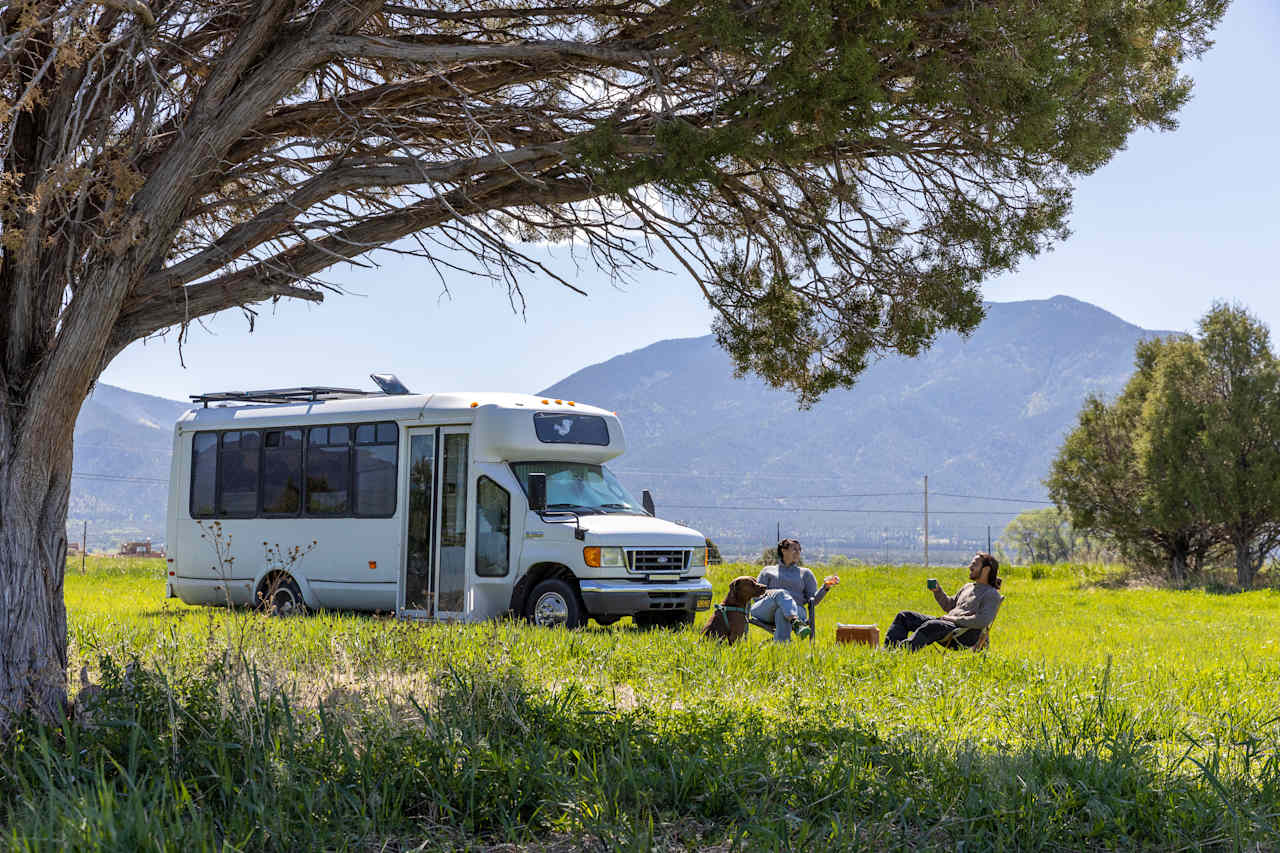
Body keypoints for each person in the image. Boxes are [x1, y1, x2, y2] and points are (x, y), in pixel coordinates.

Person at [884, 552, 1003, 650]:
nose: (969, 567)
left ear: (986, 570)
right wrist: (937, 591)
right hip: (947, 625)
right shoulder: (968, 587)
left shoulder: (991, 594)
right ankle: (888, 651)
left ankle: (901, 652)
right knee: (905, 616)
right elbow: (950, 606)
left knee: (932, 625)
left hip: (963, 634)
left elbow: (982, 621)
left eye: (974, 565)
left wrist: (953, 619)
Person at [750, 538, 840, 642]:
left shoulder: (805, 573)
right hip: (766, 609)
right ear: (783, 550)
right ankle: (795, 622)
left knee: (781, 612)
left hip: (797, 610)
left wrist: (825, 587)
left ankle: (781, 649)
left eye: (799, 550)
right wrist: (775, 596)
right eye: (794, 549)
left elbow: (813, 601)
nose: (798, 552)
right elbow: (757, 597)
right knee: (781, 593)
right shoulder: (767, 571)